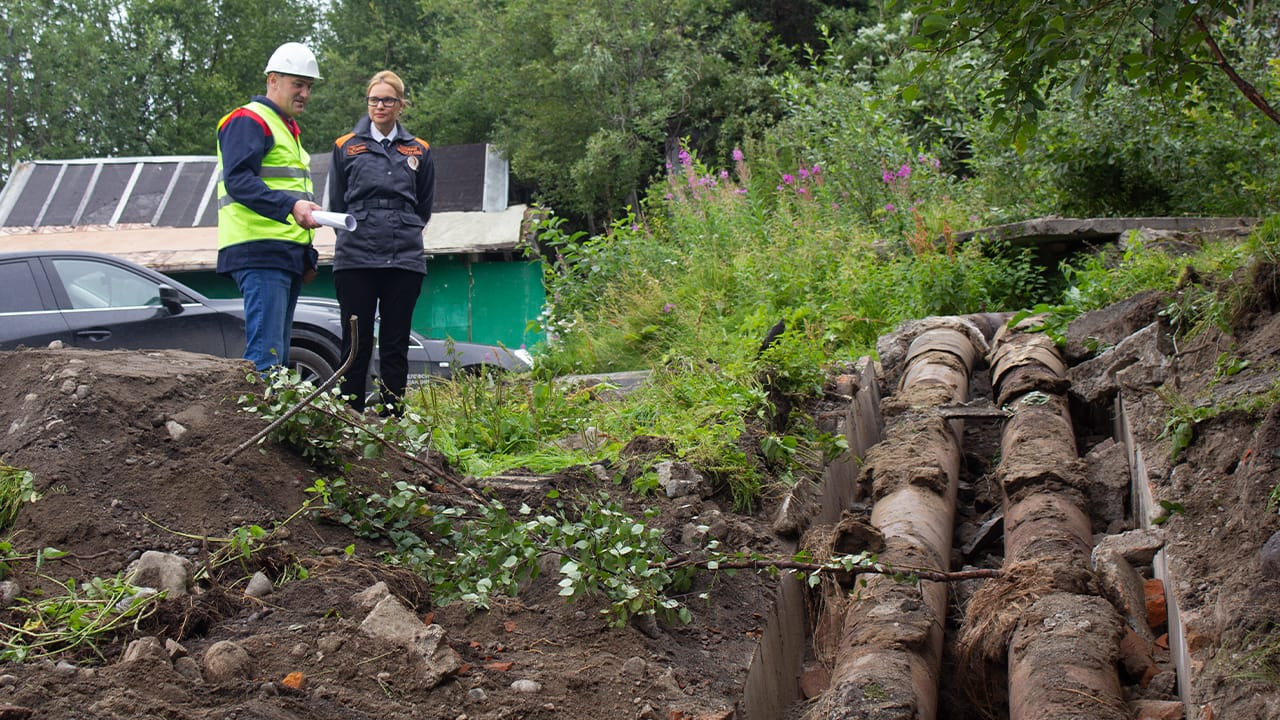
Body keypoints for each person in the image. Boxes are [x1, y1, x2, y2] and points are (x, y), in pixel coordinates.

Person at [328, 70, 435, 416]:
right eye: (374, 99)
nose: (380, 106)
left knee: (394, 343)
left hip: (403, 257)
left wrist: (398, 227)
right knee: (355, 343)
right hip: (356, 256)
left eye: (388, 100)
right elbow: (336, 204)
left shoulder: (419, 149)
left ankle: (394, 419)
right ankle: (351, 418)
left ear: (401, 105)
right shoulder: (346, 146)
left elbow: (423, 207)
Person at [216, 42, 324, 373]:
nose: (304, 93)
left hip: (281, 252)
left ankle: (272, 420)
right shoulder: (249, 120)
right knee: (266, 357)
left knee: (276, 355)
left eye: (309, 86)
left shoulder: (285, 128)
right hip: (260, 250)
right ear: (273, 80)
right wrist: (292, 205)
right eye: (298, 84)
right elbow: (239, 181)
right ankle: (260, 424)